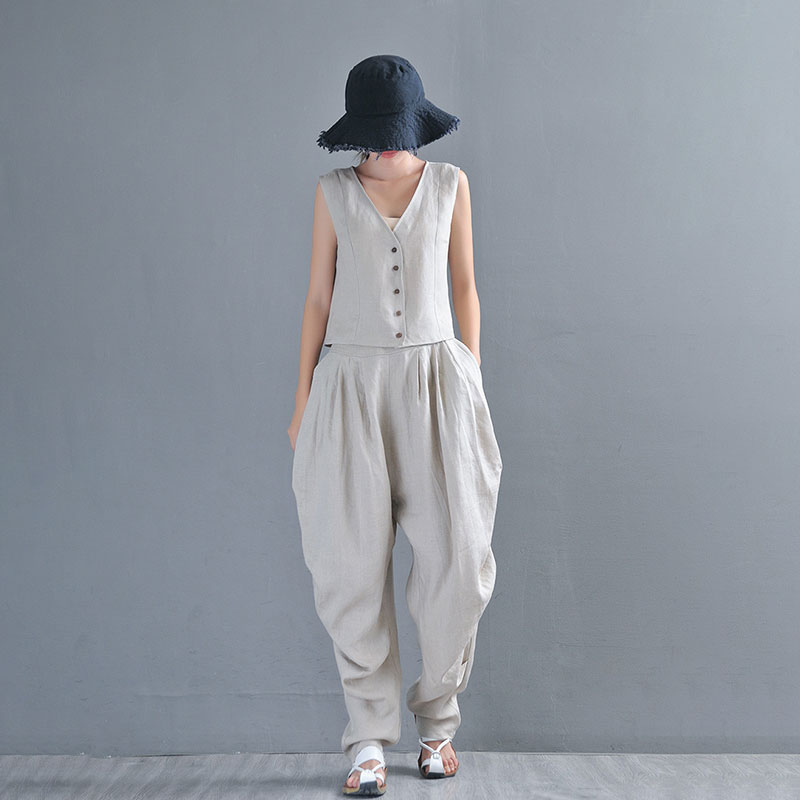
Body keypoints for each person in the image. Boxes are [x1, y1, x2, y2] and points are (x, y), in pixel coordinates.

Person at [289, 54, 502, 796]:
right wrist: (301, 403)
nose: (383, 145)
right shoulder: (332, 192)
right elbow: (318, 299)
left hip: (439, 385)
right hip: (349, 387)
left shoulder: (450, 185)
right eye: (374, 132)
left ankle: (438, 723)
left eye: (394, 130)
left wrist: (471, 378)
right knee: (348, 566)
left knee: (459, 562)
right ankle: (368, 740)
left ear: (416, 125)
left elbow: (466, 286)